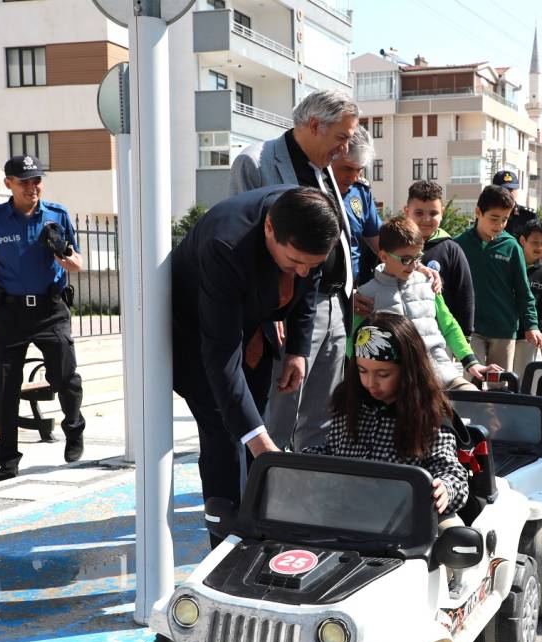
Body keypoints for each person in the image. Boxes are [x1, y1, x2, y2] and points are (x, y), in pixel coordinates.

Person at [170, 186, 339, 544]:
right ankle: (225, 539)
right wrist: (259, 443)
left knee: (255, 420)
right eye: (294, 262)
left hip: (255, 327)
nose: (304, 272)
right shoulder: (225, 244)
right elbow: (220, 357)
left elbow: (308, 285)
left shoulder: (312, 221)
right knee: (226, 434)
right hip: (199, 334)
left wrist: (297, 349)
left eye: (313, 264)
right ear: (268, 230)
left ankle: (260, 526)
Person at [229, 89, 358, 451]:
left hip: (332, 305)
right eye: (341, 138)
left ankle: (310, 493)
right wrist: (269, 312)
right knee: (280, 415)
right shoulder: (256, 162)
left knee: (322, 416)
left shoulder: (322, 168)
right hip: (289, 310)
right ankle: (271, 494)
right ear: (315, 125)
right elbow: (245, 245)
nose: (344, 149)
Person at [0, 155, 85, 483]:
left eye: (36, 180)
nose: (32, 187)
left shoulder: (57, 215)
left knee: (66, 378)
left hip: (51, 310)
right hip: (12, 313)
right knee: (5, 389)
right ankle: (8, 460)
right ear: (9, 184)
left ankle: (73, 426)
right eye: (24, 181)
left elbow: (78, 263)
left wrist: (65, 257)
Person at [306, 312, 469, 516]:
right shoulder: (349, 403)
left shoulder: (429, 415)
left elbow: (451, 471)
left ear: (408, 369)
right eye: (362, 371)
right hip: (346, 513)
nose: (371, 383)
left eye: (383, 374)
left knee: (452, 535)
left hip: (405, 519)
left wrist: (445, 488)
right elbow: (332, 451)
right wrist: (302, 463)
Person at [353, 216, 496, 390]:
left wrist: (470, 362)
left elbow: (449, 325)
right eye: (406, 259)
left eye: (418, 257)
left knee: (474, 400)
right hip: (397, 383)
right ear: (383, 256)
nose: (413, 265)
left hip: (440, 371)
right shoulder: (365, 295)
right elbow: (352, 342)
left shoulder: (428, 283)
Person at [455, 185, 542, 371]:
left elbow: (524, 291)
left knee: (500, 386)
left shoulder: (512, 247)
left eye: (505, 220)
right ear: (478, 212)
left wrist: (532, 325)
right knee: (471, 383)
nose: (498, 225)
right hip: (470, 329)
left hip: (504, 330)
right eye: (494, 218)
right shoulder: (458, 245)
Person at [405, 180, 475, 335]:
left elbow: (465, 295)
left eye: (433, 213)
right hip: (402, 333)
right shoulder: (395, 245)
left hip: (440, 336)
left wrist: (465, 335)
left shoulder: (451, 249)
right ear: (406, 211)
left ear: (442, 213)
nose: (426, 219)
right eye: (419, 213)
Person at [332, 126, 382, 286]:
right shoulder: (310, 189)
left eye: (359, 170)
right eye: (346, 168)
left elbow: (381, 243)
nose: (353, 178)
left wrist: (415, 264)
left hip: (352, 291)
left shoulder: (361, 191)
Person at [514, 219, 542, 377]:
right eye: (534, 242)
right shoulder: (509, 264)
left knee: (523, 377)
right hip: (504, 333)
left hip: (529, 337)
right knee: (500, 380)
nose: (538, 247)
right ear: (523, 241)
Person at [492, 170, 537, 240]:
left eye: (511, 190)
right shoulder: (488, 213)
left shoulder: (528, 216)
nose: (509, 194)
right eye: (504, 190)